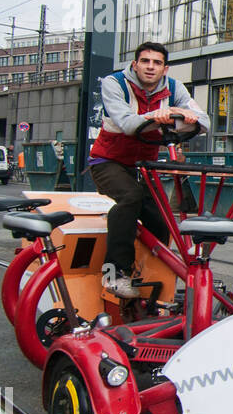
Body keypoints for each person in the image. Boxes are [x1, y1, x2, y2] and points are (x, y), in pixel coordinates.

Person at [89, 42, 210, 298]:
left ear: (165, 68)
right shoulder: (115, 83)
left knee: (160, 218)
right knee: (130, 198)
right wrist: (164, 115)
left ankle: (153, 276)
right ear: (135, 64)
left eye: (156, 63)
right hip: (107, 161)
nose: (150, 67)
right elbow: (127, 123)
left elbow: (204, 121)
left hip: (144, 167)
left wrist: (177, 115)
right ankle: (115, 274)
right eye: (145, 61)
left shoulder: (175, 88)